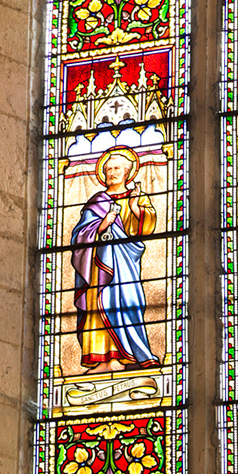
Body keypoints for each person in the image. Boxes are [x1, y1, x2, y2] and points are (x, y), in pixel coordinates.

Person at [70, 147, 160, 370]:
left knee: (128, 303)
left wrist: (135, 208)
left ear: (128, 171)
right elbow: (80, 235)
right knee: (97, 305)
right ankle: (102, 359)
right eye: (108, 168)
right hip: (96, 269)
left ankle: (128, 355)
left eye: (116, 168)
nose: (111, 172)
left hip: (125, 264)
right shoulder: (96, 202)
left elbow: (145, 229)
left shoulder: (137, 197)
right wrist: (102, 224)